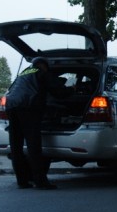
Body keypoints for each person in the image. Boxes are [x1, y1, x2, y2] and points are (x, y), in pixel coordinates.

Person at [5, 57, 73, 190]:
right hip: (28, 107)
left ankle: (22, 181)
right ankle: (40, 182)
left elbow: (13, 89)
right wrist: (72, 89)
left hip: (11, 106)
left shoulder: (24, 72)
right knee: (33, 145)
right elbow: (58, 92)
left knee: (16, 145)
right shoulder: (41, 72)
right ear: (44, 65)